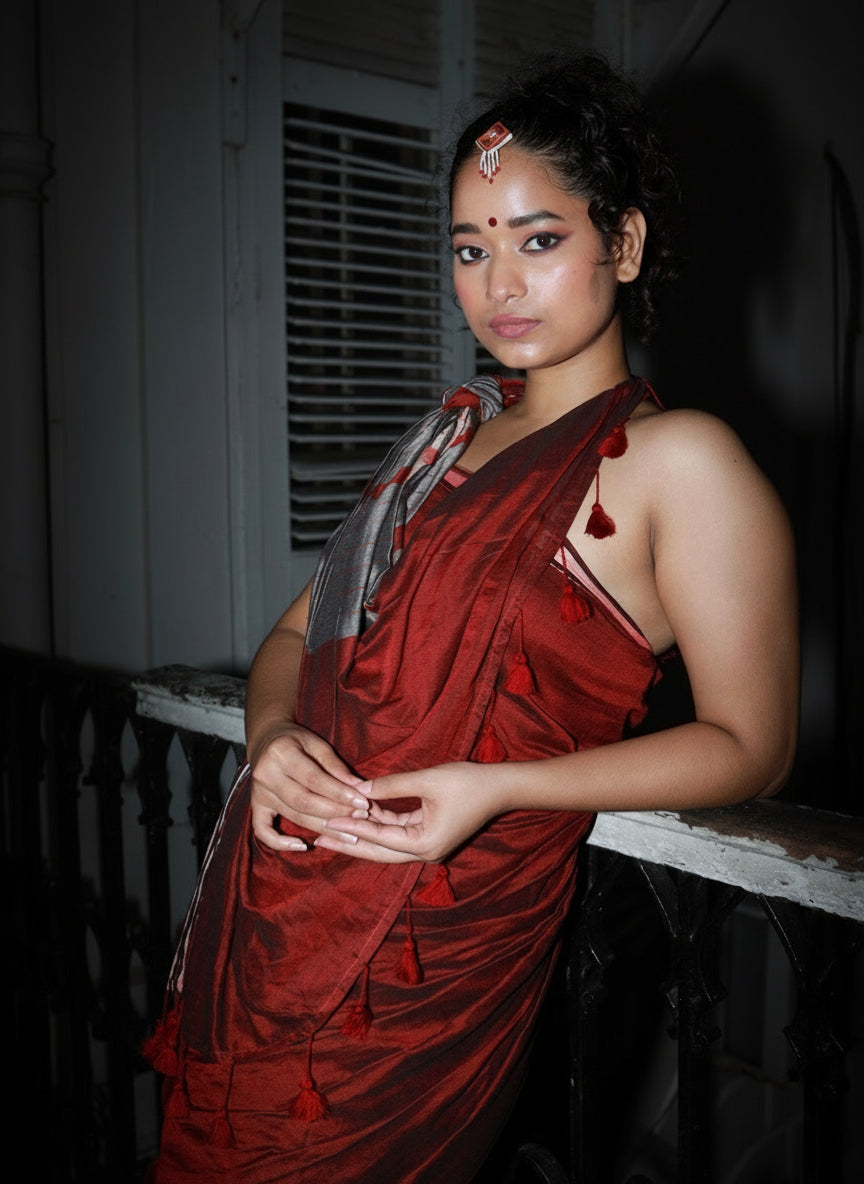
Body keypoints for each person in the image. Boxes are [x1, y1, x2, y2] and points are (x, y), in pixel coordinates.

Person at [146, 52, 798, 1183]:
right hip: (277, 915)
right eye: (469, 248)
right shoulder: (445, 438)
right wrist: (271, 735)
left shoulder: (680, 462)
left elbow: (754, 745)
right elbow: (296, 639)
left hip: (436, 960)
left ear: (624, 244)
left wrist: (499, 787)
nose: (500, 283)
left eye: (538, 240)